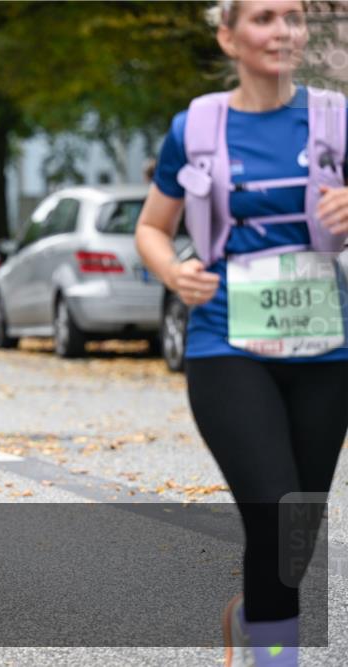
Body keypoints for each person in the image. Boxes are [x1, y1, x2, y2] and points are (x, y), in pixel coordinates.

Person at [135, 2, 348, 665]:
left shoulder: (336, 120)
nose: (282, 31)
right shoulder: (197, 127)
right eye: (263, 18)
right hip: (226, 344)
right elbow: (152, 227)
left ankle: (251, 617)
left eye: (293, 18)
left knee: (297, 530)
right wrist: (175, 272)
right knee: (276, 510)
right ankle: (276, 656)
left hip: (326, 346)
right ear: (228, 36)